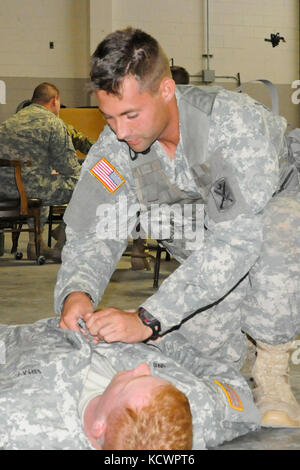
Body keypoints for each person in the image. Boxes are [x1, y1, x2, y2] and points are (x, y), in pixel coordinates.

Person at [55, 27, 300, 428]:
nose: (120, 131)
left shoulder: (233, 124)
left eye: (131, 115)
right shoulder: (116, 144)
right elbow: (94, 227)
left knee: (281, 228)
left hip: (271, 214)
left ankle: (271, 366)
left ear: (166, 90)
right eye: (109, 117)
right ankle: (226, 333)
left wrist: (150, 317)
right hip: (208, 235)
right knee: (205, 359)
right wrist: (77, 292)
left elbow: (237, 241)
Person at [0, 317, 259, 450]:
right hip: (127, 326)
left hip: (28, 338)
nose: (141, 368)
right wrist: (155, 333)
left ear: (99, 428)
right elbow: (237, 393)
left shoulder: (18, 423)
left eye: (132, 382)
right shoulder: (193, 413)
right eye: (149, 377)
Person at [0, 82, 82, 261]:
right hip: (30, 189)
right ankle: (61, 243)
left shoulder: (9, 122)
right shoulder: (53, 123)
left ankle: (34, 244)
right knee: (85, 184)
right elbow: (69, 168)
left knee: (42, 179)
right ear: (54, 101)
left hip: (3, 189)